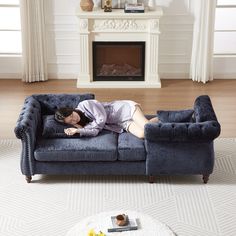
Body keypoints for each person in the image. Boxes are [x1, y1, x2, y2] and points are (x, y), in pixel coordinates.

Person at [54, 99, 158, 139]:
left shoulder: (85, 104)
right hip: (121, 123)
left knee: (147, 127)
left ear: (70, 110)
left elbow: (101, 119)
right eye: (71, 121)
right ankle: (162, 118)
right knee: (143, 134)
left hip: (124, 110)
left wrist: (89, 128)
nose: (74, 120)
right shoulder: (82, 124)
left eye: (71, 116)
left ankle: (168, 120)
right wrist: (77, 130)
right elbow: (95, 132)